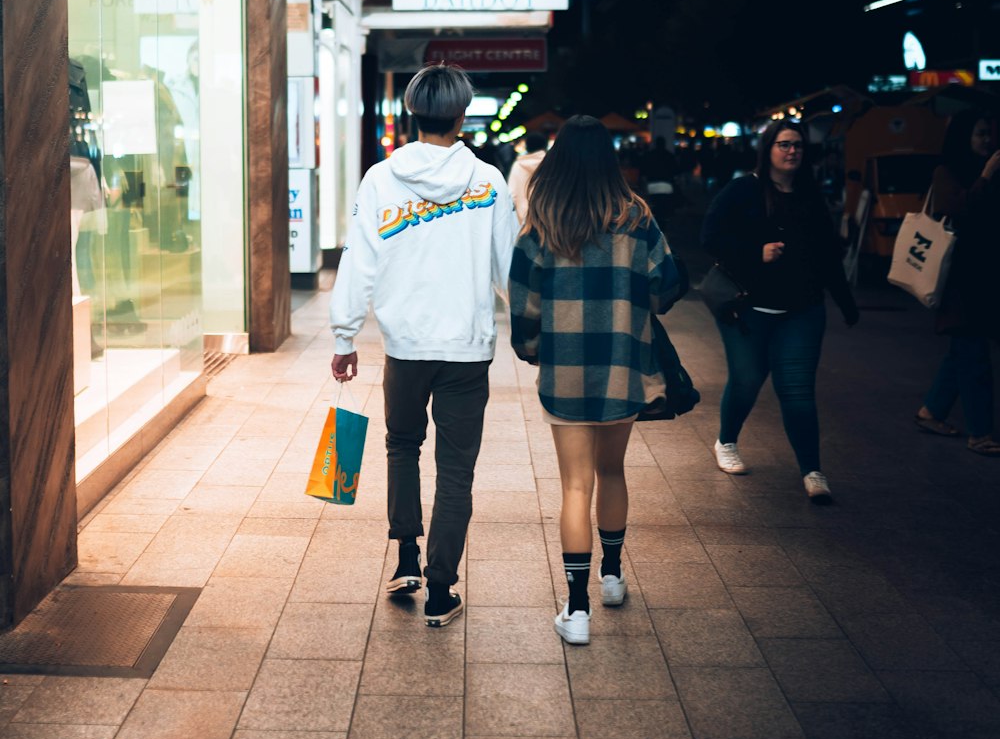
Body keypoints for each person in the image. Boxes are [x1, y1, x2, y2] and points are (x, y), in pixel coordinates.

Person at [329, 64, 519, 627]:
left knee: (402, 447)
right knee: (456, 470)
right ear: (461, 116)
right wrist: (534, 325)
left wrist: (344, 336)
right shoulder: (488, 181)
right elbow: (508, 270)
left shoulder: (380, 179)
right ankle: (441, 591)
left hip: (405, 347)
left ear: (412, 113)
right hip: (466, 348)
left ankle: (406, 558)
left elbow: (357, 263)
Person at [509, 115, 687, 646]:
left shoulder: (542, 222)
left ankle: (577, 609)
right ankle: (611, 579)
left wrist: (537, 351)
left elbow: (524, 308)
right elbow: (667, 289)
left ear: (559, 158)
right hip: (622, 368)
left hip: (564, 373)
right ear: (609, 159)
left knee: (574, 485)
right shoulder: (637, 218)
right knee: (613, 473)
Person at [701, 120, 859, 502]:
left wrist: (845, 301)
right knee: (747, 380)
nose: (792, 152)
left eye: (798, 146)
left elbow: (827, 256)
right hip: (748, 307)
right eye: (784, 145)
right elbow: (710, 239)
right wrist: (756, 253)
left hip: (802, 310)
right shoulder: (743, 190)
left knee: (798, 390)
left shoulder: (811, 196)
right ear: (768, 149)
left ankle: (812, 471)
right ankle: (726, 441)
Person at [915, 110, 1000, 455]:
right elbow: (962, 210)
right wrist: (986, 175)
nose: (988, 140)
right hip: (958, 281)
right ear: (964, 135)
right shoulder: (947, 172)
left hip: (984, 278)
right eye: (980, 133)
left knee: (961, 350)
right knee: (974, 354)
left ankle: (931, 411)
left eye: (991, 134)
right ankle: (980, 432)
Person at [507, 131, 547, 224]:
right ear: (545, 146)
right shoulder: (551, 164)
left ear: (527, 147)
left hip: (523, 219)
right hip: (546, 218)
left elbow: (512, 193)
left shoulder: (518, 165)